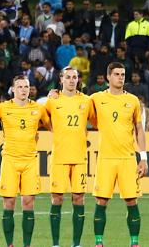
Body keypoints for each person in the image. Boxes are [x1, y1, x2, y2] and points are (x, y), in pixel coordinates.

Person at [90, 62, 147, 247]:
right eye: (117, 74)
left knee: (132, 200)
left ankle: (134, 242)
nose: (121, 77)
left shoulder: (132, 101)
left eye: (123, 74)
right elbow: (76, 104)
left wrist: (143, 158)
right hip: (106, 158)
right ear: (108, 77)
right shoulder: (96, 99)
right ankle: (99, 242)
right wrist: (56, 93)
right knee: (101, 201)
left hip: (128, 158)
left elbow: (139, 129)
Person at [0, 76, 50, 247]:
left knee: (28, 202)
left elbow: (52, 125)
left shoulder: (38, 108)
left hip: (30, 160)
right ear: (13, 89)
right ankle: (10, 244)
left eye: (26, 86)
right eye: (20, 86)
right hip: (9, 160)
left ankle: (27, 244)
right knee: (9, 202)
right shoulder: (2, 108)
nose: (24, 89)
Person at [44, 66, 96, 247]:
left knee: (79, 198)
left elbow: (97, 121)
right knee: (57, 198)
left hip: (80, 157)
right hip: (59, 157)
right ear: (61, 80)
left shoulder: (86, 101)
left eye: (75, 77)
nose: (72, 80)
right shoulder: (52, 101)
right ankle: (56, 244)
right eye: (68, 77)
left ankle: (76, 243)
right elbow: (40, 118)